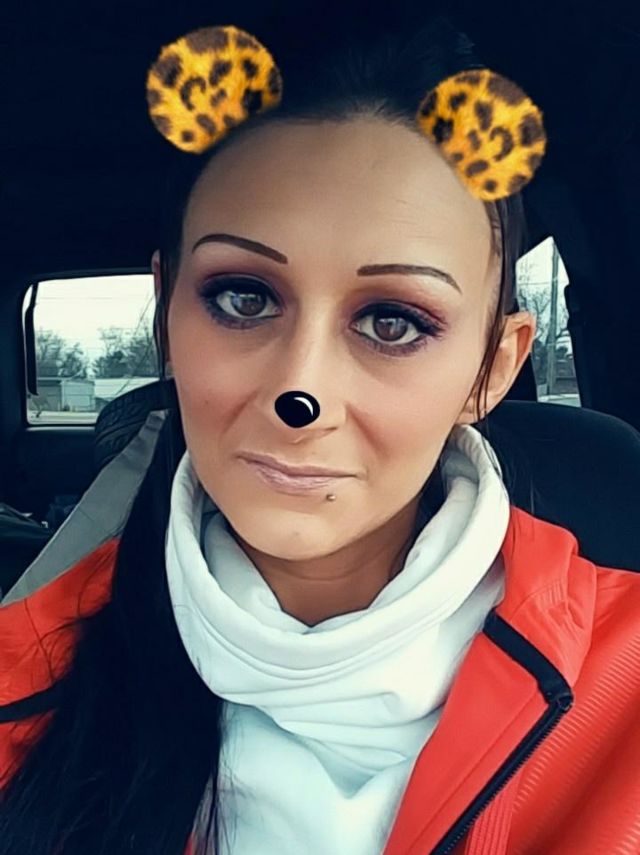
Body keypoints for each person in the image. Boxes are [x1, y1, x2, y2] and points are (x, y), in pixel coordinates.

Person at [1, 14, 639, 855]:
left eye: (393, 321)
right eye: (243, 298)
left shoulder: (625, 690)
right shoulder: (24, 677)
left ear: (492, 368)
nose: (299, 390)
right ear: (166, 316)